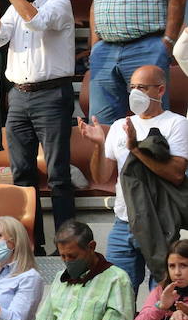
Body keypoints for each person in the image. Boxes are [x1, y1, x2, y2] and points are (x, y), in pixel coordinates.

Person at [0, 0, 75, 252]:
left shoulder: (58, 3)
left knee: (58, 173)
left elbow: (36, 21)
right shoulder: (12, 6)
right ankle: (32, 244)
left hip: (51, 94)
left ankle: (66, 244)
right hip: (19, 95)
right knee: (22, 173)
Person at [79, 64, 188, 292]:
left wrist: (136, 149)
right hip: (123, 222)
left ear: (160, 91)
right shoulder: (120, 126)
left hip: (160, 222)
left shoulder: (176, 124)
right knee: (116, 292)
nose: (135, 93)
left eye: (142, 87)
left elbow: (176, 174)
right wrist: (99, 145)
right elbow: (101, 176)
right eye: (133, 87)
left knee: (162, 292)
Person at [33, 220, 134, 320]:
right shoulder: (60, 277)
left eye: (72, 256)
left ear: (91, 247)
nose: (67, 261)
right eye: (63, 256)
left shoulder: (117, 279)